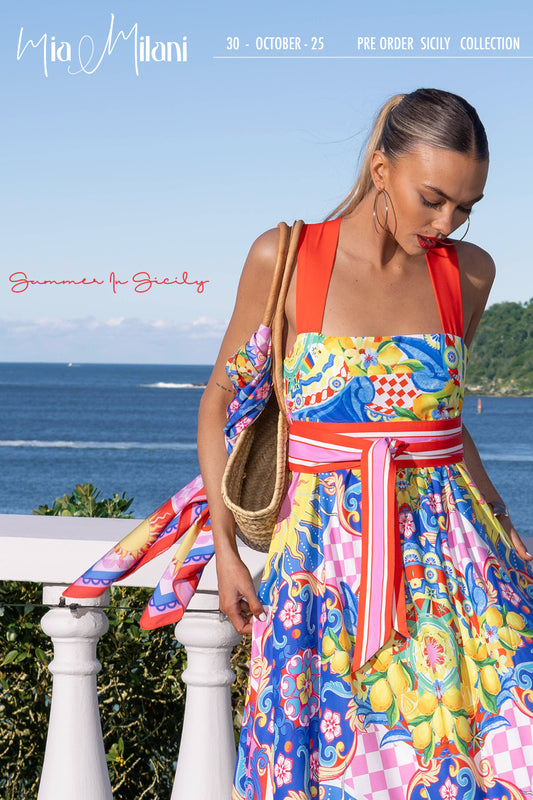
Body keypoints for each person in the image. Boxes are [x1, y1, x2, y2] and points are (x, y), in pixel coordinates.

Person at [65, 88, 533, 799]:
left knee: (487, 756)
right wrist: (227, 552)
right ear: (381, 170)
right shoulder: (285, 256)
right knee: (329, 767)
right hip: (320, 567)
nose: (447, 224)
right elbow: (218, 402)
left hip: (456, 558)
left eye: (466, 207)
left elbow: (442, 422)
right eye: (433, 199)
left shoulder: (468, 273)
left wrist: (501, 519)